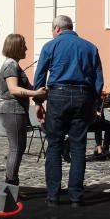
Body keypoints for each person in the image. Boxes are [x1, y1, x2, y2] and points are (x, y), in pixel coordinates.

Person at [33, 15, 104, 207]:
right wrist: (95, 104)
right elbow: (98, 79)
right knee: (78, 146)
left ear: (57, 29)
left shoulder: (51, 46)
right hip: (83, 96)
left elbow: (39, 76)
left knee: (55, 144)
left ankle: (53, 196)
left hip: (58, 95)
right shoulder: (90, 47)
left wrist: (38, 102)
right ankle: (76, 196)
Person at [0, 34, 47, 190]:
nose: (26, 48)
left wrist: (41, 95)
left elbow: (29, 88)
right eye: (23, 45)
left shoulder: (15, 65)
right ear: (16, 47)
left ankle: (11, 184)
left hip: (16, 110)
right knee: (16, 148)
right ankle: (10, 186)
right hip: (11, 110)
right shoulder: (10, 65)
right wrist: (36, 94)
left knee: (18, 147)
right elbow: (14, 89)